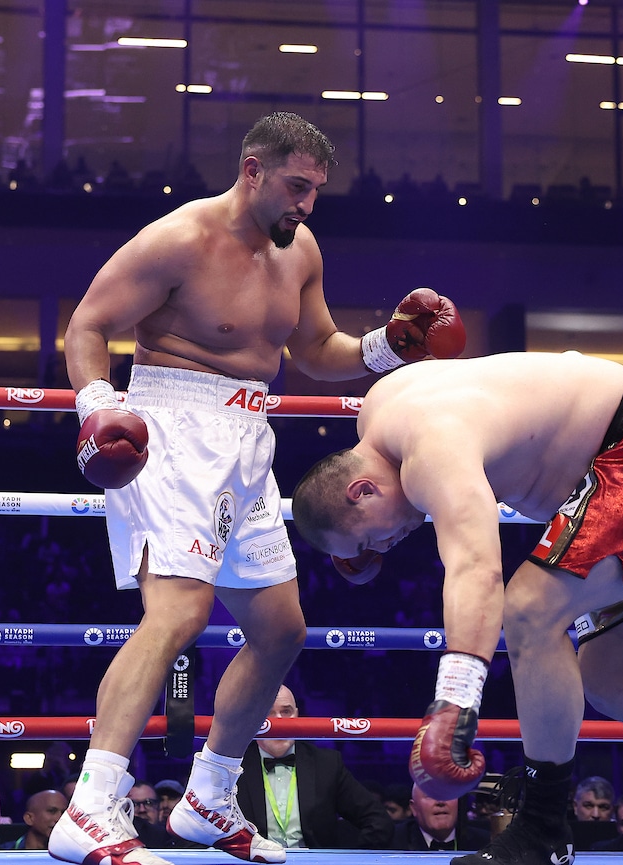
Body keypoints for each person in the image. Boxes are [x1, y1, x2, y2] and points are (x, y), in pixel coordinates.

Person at [52, 110, 464, 865]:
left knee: (282, 628)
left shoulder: (298, 247)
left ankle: (208, 796)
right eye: (296, 186)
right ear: (252, 170)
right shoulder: (179, 238)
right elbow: (87, 324)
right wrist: (98, 405)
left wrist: (391, 343)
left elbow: (316, 348)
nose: (307, 204)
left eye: (316, 191)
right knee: (176, 613)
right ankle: (91, 803)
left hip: (248, 438)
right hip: (171, 426)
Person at [291, 351, 623, 865]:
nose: (384, 549)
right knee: (614, 678)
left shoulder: (430, 451)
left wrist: (454, 702)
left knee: (527, 609)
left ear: (361, 490)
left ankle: (542, 828)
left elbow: (477, 569)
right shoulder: (381, 410)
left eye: (369, 541)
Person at [234, 684, 394, 849]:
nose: (279, 722)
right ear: (254, 718)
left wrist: (342, 861)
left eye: (286, 712)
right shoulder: (234, 767)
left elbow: (379, 823)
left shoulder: (326, 764)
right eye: (268, 713)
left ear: (296, 715)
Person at [392, 784, 490, 852]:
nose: (440, 802)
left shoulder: (486, 843)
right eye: (431, 795)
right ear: (414, 808)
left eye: (447, 794)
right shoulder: (392, 841)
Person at [5, 790, 69, 850]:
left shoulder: (73, 855)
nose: (60, 818)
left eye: (64, 813)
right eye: (52, 811)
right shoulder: (2, 853)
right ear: (29, 818)